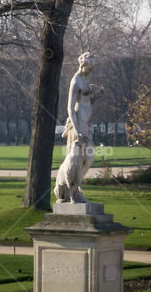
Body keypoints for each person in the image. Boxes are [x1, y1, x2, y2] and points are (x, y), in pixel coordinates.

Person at [54, 52, 95, 204]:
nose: (91, 71)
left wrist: (98, 96)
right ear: (82, 65)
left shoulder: (85, 80)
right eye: (89, 68)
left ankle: (76, 187)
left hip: (86, 124)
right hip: (78, 125)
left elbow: (87, 103)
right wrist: (76, 128)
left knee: (88, 159)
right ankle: (73, 190)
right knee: (76, 160)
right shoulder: (75, 81)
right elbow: (70, 108)